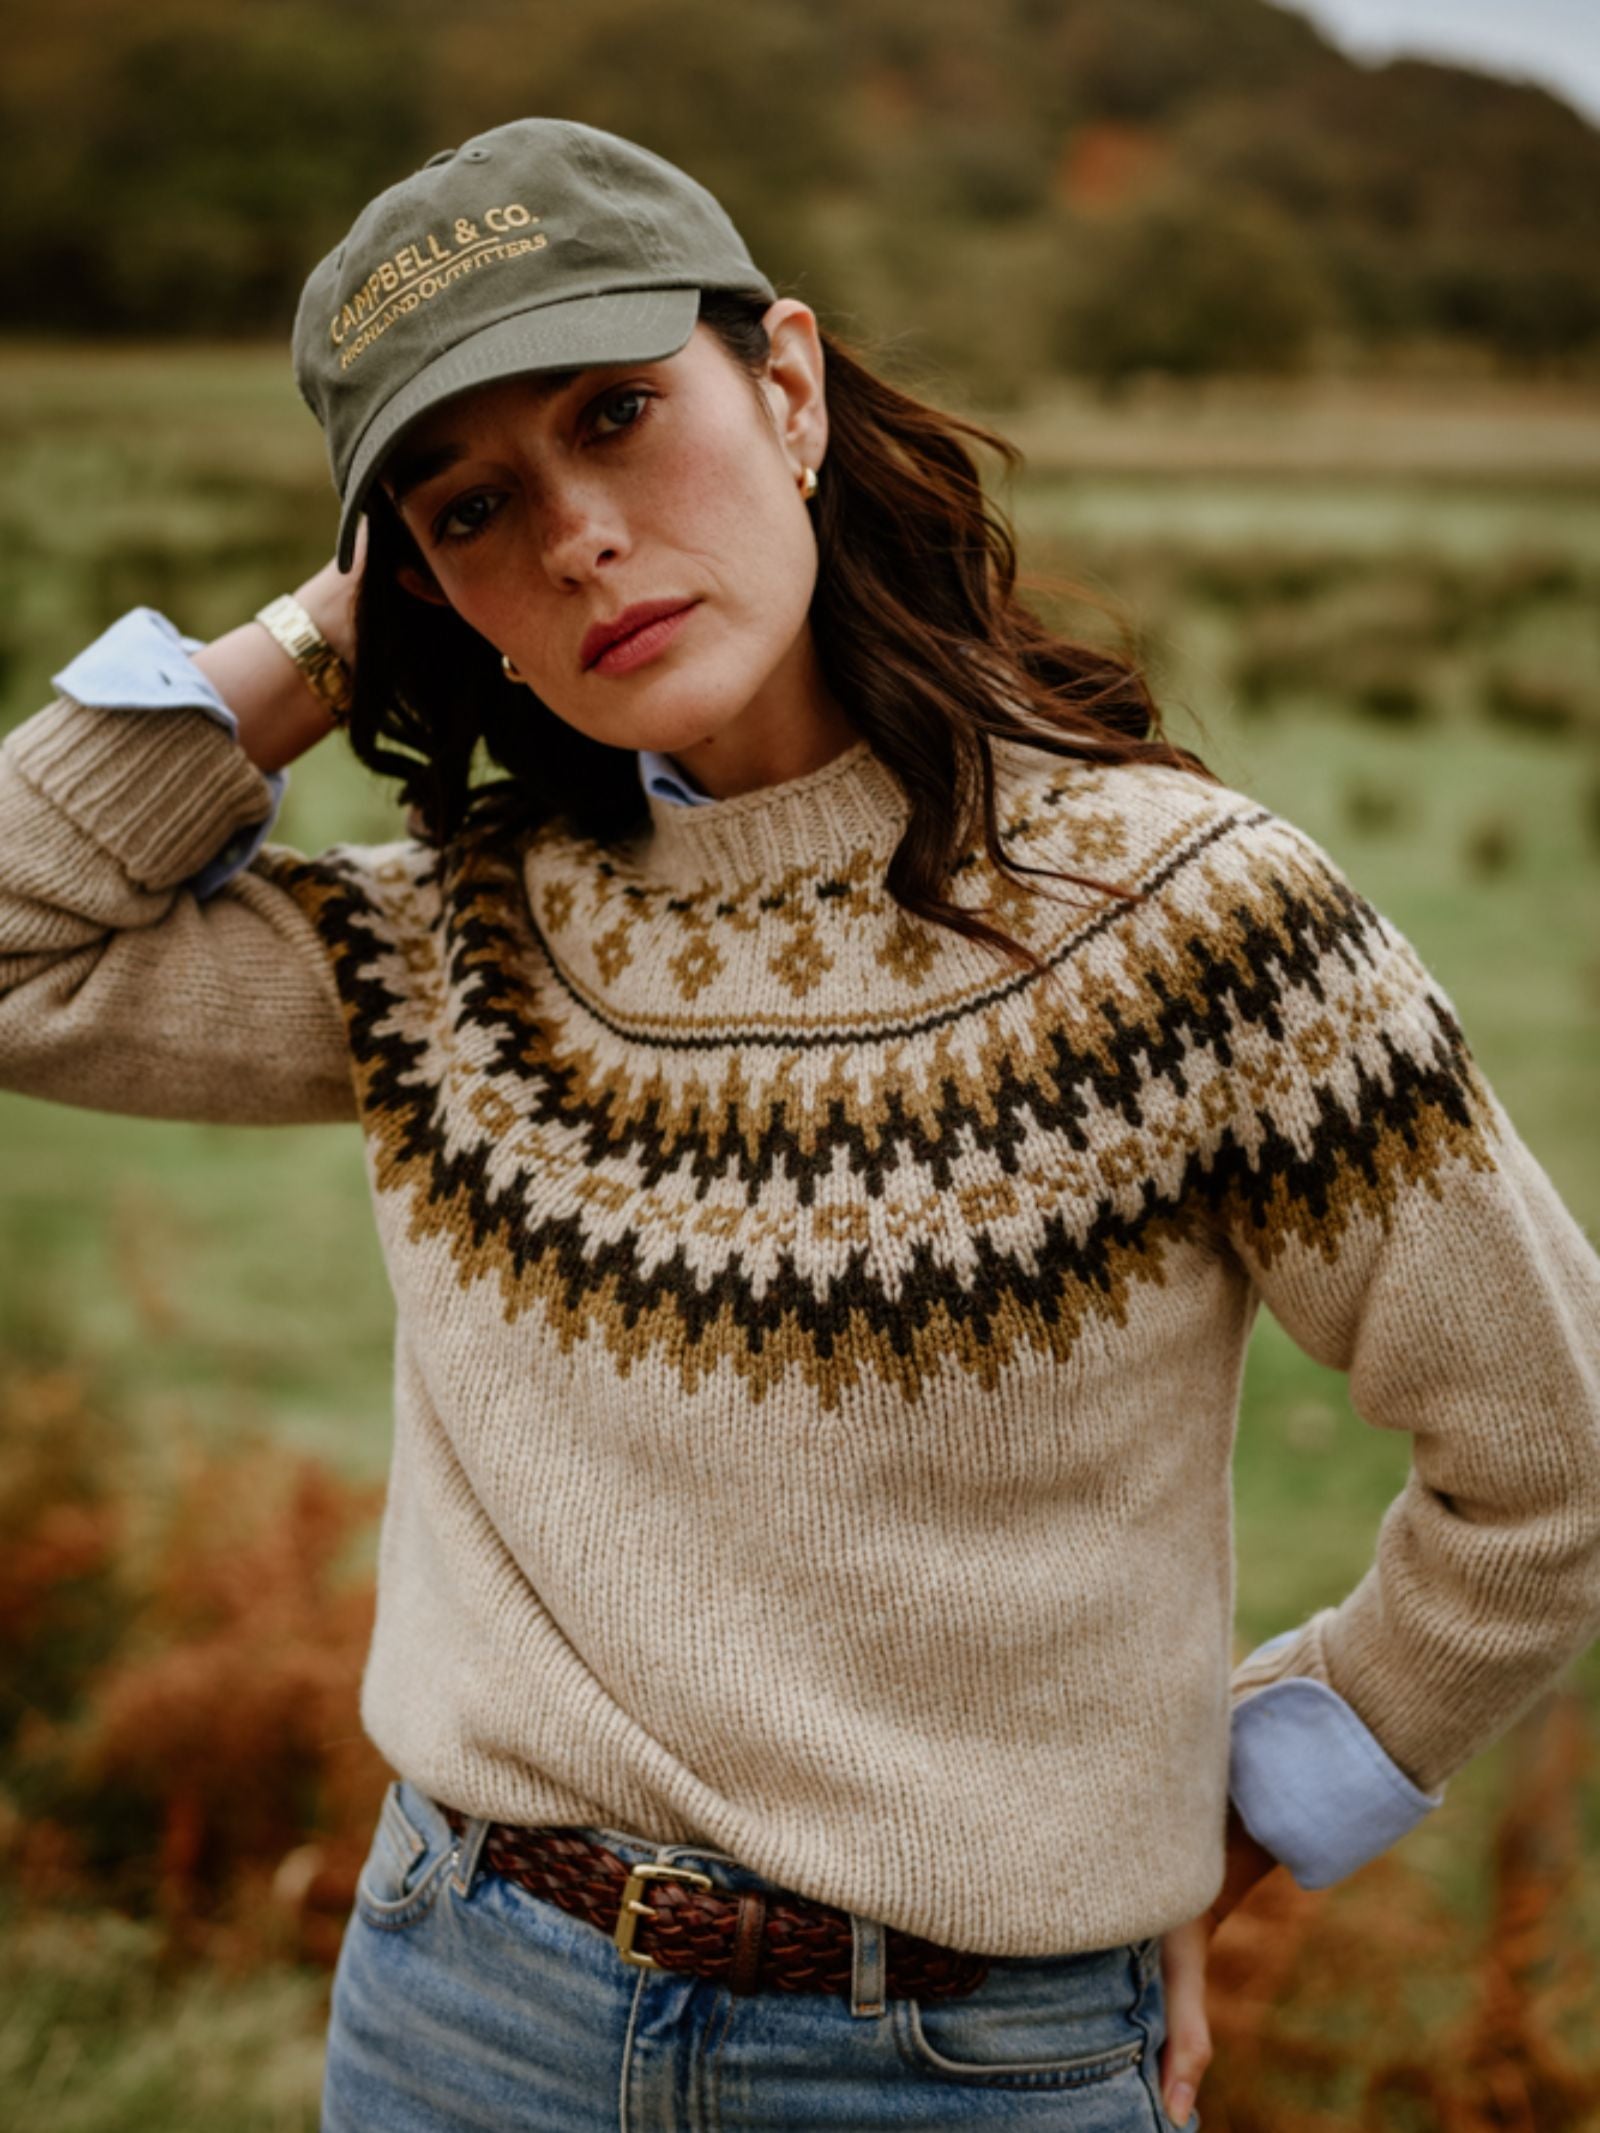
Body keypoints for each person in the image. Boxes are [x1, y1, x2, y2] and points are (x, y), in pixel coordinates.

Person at [2, 116, 1598, 2133]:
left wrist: (1250, 1800)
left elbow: (1550, 1457)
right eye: (473, 503)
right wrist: (323, 637)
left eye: (614, 414)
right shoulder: (453, 951)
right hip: (457, 2011)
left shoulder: (1191, 921)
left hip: (963, 2063)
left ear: (784, 383)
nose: (576, 531)